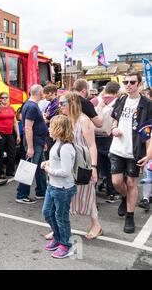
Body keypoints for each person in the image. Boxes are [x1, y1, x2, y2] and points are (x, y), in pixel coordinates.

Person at [110, 72, 152, 233]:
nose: (128, 85)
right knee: (116, 182)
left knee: (131, 183)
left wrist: (148, 155)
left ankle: (130, 215)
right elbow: (114, 119)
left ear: (139, 84)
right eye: (126, 82)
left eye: (132, 82)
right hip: (117, 149)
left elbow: (149, 135)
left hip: (135, 151)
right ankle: (125, 197)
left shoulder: (147, 105)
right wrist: (114, 128)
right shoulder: (121, 99)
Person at [59, 92, 103, 239]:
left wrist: (94, 168)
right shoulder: (65, 120)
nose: (60, 106)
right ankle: (59, 227)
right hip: (67, 164)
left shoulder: (84, 120)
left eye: (62, 103)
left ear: (72, 104)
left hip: (82, 164)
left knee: (87, 194)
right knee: (62, 196)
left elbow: (92, 146)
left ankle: (96, 225)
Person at [41, 115, 77, 259]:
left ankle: (66, 245)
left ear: (59, 129)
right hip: (53, 185)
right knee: (47, 213)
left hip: (63, 188)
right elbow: (57, 160)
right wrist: (48, 162)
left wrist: (48, 169)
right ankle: (58, 237)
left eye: (51, 126)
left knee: (61, 217)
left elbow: (65, 171)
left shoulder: (66, 147)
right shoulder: (57, 143)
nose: (48, 128)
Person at [16, 84, 48, 204]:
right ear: (40, 93)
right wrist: (30, 147)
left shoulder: (30, 105)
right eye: (43, 92)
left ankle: (41, 191)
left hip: (37, 141)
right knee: (28, 168)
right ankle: (21, 195)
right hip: (33, 142)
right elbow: (28, 128)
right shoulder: (32, 106)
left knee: (41, 167)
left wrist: (43, 141)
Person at [91, 82, 121, 201]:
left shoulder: (95, 101)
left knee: (96, 165)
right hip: (109, 137)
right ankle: (111, 192)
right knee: (110, 166)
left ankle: (91, 192)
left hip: (94, 136)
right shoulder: (118, 102)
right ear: (117, 91)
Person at [0, 92, 20, 179]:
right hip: (0, 133)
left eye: (6, 97)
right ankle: (0, 172)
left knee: (12, 153)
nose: (5, 99)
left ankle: (10, 171)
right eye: (3, 98)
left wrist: (18, 135)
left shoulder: (11, 108)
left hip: (10, 133)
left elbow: (15, 123)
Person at [43, 85, 60, 160]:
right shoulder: (50, 103)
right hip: (49, 132)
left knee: (50, 156)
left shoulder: (55, 104)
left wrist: (45, 117)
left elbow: (47, 119)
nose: (44, 95)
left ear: (52, 93)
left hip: (52, 133)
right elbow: (45, 116)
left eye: (46, 93)